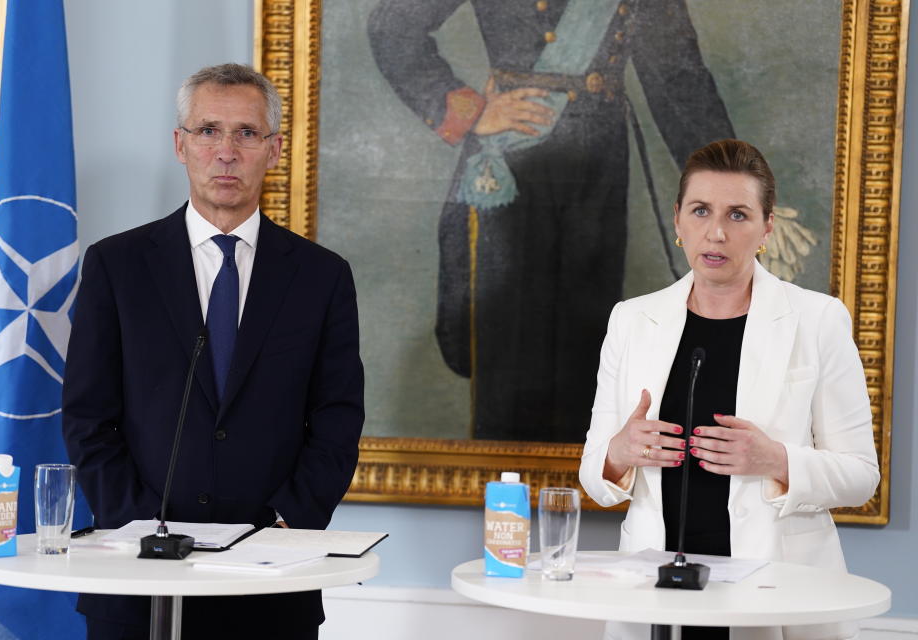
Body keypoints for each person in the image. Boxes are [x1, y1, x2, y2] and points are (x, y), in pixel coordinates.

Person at [62, 63, 364, 640]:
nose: (226, 152)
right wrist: (138, 522)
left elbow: (337, 419)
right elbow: (86, 417)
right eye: (208, 131)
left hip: (270, 583)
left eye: (246, 134)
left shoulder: (322, 278)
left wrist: (284, 522)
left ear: (273, 149)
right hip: (137, 578)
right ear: (181, 145)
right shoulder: (117, 266)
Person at [368, 0, 734, 442]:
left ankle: (572, 499)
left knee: (586, 357)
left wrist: (734, 187)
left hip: (596, 173)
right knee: (507, 355)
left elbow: (678, 77)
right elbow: (393, 26)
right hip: (513, 169)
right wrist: (473, 111)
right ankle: (507, 507)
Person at [579, 139, 879, 640]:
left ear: (766, 227)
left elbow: (860, 476)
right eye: (701, 211)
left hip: (777, 589)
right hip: (655, 591)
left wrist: (777, 460)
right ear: (678, 221)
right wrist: (619, 452)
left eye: (737, 214)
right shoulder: (631, 320)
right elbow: (595, 475)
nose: (716, 232)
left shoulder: (818, 320)